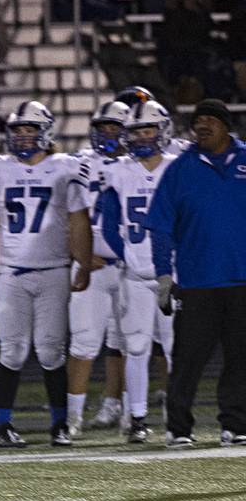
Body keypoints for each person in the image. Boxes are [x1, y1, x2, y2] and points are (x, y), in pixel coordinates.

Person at [0, 101, 94, 448]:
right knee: (11, 350)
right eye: (18, 131)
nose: (24, 138)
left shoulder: (66, 168)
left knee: (51, 351)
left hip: (53, 269)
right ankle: (2, 424)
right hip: (11, 271)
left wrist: (83, 263)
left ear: (46, 133)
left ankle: (59, 423)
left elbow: (78, 221)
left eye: (30, 131)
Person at [145, 99, 246, 448]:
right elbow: (160, 226)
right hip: (197, 281)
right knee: (187, 360)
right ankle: (178, 427)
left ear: (225, 126)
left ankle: (235, 424)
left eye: (210, 121)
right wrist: (162, 275)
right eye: (197, 121)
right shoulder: (180, 168)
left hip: (242, 281)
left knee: (241, 358)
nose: (202, 126)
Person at [99, 100, 178, 443]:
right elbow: (108, 224)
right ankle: (138, 417)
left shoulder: (178, 168)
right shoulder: (118, 171)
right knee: (136, 348)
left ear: (163, 132)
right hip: (136, 275)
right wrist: (128, 257)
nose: (143, 137)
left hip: (174, 277)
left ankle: (177, 418)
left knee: (178, 350)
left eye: (149, 130)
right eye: (137, 132)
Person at [64, 101, 130, 436]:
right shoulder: (78, 163)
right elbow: (64, 214)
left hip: (131, 268)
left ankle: (127, 414)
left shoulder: (140, 166)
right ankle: (72, 417)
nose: (108, 134)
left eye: (114, 128)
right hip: (93, 267)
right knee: (83, 343)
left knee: (129, 343)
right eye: (102, 127)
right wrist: (79, 254)